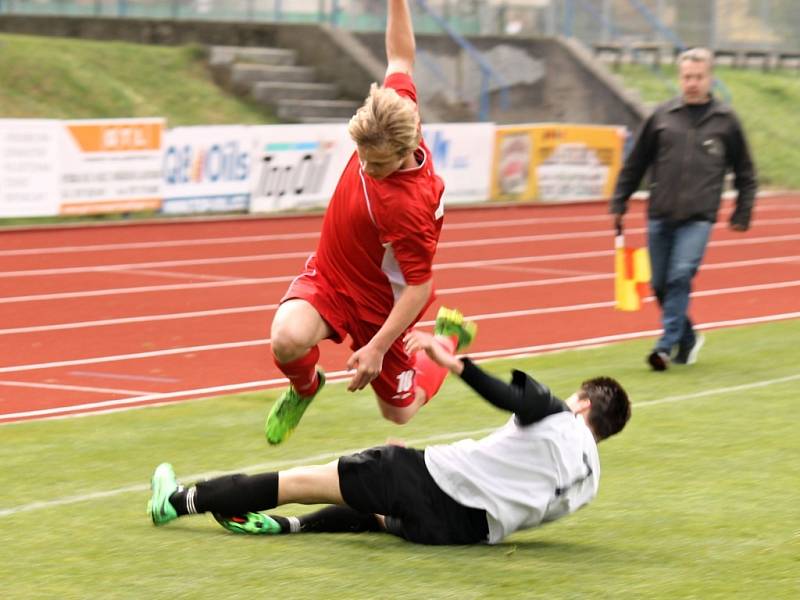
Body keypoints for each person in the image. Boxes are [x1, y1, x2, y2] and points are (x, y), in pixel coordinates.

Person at [148, 329, 631, 546]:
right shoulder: (589, 485)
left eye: (575, 398)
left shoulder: (560, 416)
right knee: (377, 512)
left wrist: (451, 360)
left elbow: (508, 397)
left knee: (298, 482)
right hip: (456, 534)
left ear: (584, 404)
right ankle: (292, 529)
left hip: (427, 483)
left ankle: (176, 501)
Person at [265, 0, 455, 445]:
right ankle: (305, 388)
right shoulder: (396, 111)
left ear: (404, 150)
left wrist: (376, 347)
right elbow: (400, 56)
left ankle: (444, 342)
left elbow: (419, 287)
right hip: (333, 276)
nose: (365, 167)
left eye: (377, 162)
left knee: (399, 413)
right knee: (286, 340)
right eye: (363, 156)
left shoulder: (409, 207)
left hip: (379, 308)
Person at [610, 47, 757, 372]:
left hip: (699, 218)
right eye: (687, 76)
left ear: (710, 78)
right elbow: (636, 163)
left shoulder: (726, 121)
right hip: (659, 214)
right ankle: (688, 337)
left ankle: (664, 346)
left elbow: (745, 171)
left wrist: (742, 213)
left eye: (699, 77)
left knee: (679, 276)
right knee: (660, 283)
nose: (692, 82)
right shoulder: (662, 116)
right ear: (680, 78)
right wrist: (619, 200)